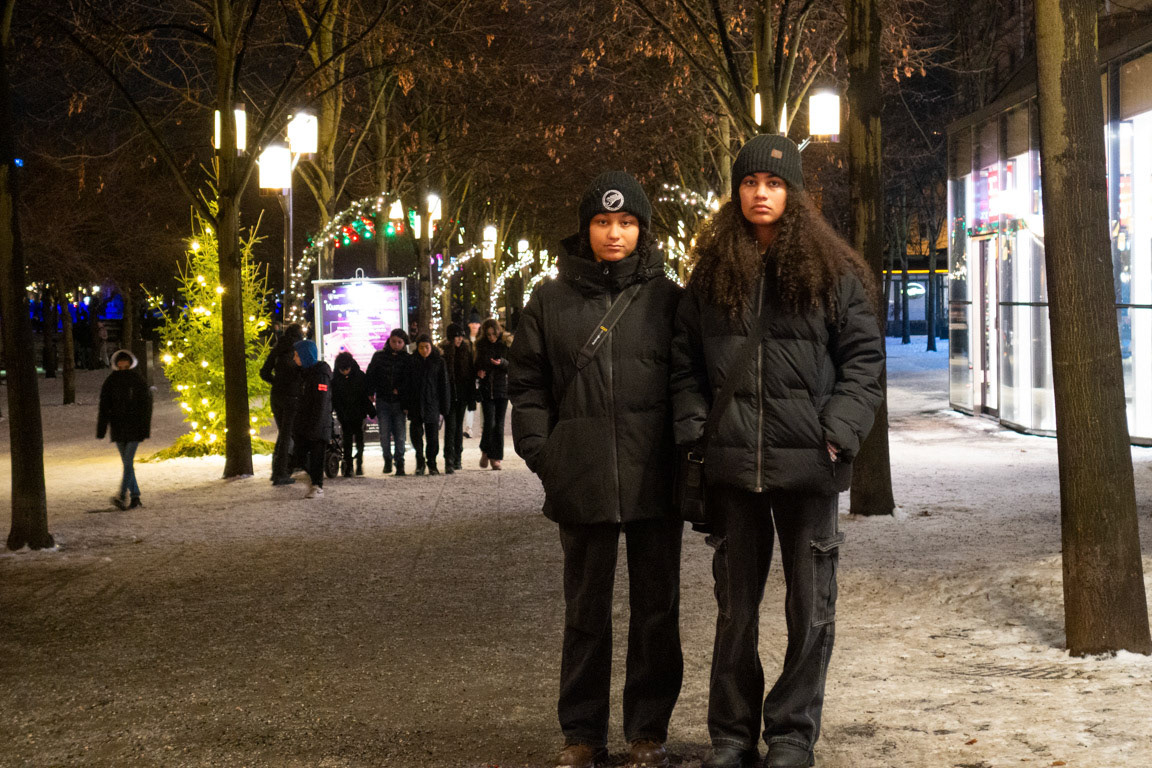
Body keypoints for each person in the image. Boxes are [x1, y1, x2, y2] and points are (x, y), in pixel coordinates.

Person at [670, 135, 884, 768]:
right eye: (749, 182)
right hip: (734, 468)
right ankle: (732, 735)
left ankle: (791, 734)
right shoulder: (711, 275)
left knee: (810, 610)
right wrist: (697, 430)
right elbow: (684, 364)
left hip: (810, 466)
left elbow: (863, 363)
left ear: (793, 192)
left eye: (773, 182)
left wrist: (837, 432)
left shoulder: (833, 273)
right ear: (736, 192)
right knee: (735, 613)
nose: (760, 193)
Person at [509, 171, 684, 768]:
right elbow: (528, 384)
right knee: (585, 612)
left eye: (627, 222)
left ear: (643, 229)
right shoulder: (549, 300)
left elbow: (689, 380)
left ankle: (647, 731)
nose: (615, 233)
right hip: (580, 476)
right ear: (585, 229)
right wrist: (544, 452)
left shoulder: (668, 299)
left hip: (654, 476)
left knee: (656, 611)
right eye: (604, 222)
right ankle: (582, 732)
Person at [97, 349, 153, 509]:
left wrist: (144, 427)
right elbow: (104, 406)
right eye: (120, 367)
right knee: (127, 463)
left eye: (126, 367)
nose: (123, 370)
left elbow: (146, 406)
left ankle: (122, 495)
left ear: (131, 365)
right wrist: (102, 428)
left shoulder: (138, 381)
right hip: (118, 428)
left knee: (127, 462)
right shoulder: (111, 382)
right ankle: (135, 496)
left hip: (134, 428)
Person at [260, 323, 304, 485]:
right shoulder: (297, 351)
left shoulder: (277, 349)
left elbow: (264, 372)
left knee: (283, 433)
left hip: (276, 396)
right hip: (291, 396)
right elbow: (302, 373)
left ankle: (276, 470)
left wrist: (276, 382)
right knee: (287, 435)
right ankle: (280, 473)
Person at [366, 328, 412, 475]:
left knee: (400, 434)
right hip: (383, 399)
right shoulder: (379, 356)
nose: (396, 345)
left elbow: (410, 379)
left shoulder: (407, 359)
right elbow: (371, 374)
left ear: (404, 343)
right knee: (384, 434)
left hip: (399, 402)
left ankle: (400, 462)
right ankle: (387, 458)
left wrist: (401, 390)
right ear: (389, 340)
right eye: (393, 341)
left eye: (399, 342)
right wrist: (370, 391)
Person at [291, 339, 333, 499]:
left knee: (317, 457)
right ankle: (314, 482)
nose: (294, 358)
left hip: (317, 424)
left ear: (305, 355)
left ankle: (317, 485)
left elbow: (321, 402)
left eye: (297, 355)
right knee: (300, 456)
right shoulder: (304, 374)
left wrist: (315, 426)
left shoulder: (320, 375)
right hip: (304, 423)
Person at [406, 334, 450, 475]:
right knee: (416, 434)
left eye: (427, 347)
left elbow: (443, 385)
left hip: (432, 403)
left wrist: (444, 406)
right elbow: (406, 384)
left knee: (432, 436)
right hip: (415, 403)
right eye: (421, 347)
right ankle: (420, 461)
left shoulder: (439, 362)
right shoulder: (412, 361)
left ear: (431, 347)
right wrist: (406, 405)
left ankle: (432, 462)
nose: (424, 350)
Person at [332, 350, 375, 477]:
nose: (345, 372)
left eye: (347, 369)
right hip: (344, 414)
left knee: (359, 438)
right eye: (342, 370)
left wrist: (370, 411)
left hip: (358, 413)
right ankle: (349, 465)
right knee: (347, 440)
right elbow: (335, 398)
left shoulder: (359, 376)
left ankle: (359, 463)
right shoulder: (335, 379)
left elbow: (364, 396)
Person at [475, 317, 510, 471]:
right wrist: (479, 372)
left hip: (502, 388)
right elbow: (475, 364)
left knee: (499, 424)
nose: (491, 337)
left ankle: (496, 458)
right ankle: (485, 450)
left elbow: (512, 364)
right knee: (490, 422)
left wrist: (502, 363)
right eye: (488, 334)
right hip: (487, 389)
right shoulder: (481, 346)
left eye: (493, 334)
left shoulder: (505, 345)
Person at [440, 322, 475, 473]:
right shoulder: (444, 353)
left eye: (461, 336)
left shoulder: (466, 351)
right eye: (457, 336)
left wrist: (471, 396)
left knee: (458, 427)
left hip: (462, 395)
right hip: (449, 395)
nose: (460, 339)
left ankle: (457, 458)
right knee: (450, 427)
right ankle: (449, 459)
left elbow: (470, 375)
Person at [464, 310, 482, 437]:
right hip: (470, 374)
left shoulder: (482, 340)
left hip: (481, 373)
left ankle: (483, 428)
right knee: (470, 402)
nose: (474, 325)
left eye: (476, 323)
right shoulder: (466, 340)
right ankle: (468, 427)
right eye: (473, 323)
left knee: (483, 402)